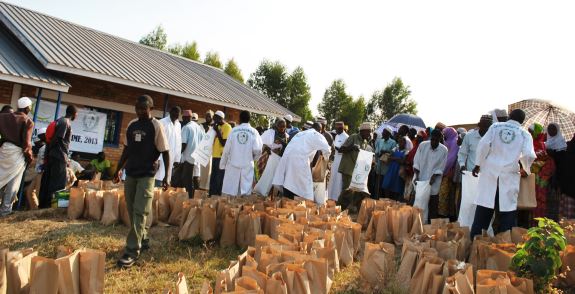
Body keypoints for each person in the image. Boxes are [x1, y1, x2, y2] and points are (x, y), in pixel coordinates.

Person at [114, 94, 169, 268]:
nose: (140, 111)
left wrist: (167, 176)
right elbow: (127, 150)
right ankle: (143, 239)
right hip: (131, 174)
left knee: (140, 211)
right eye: (138, 108)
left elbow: (165, 151)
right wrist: (118, 169)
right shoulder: (131, 125)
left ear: (151, 109)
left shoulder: (156, 126)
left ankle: (132, 251)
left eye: (144, 108)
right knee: (131, 210)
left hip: (147, 175)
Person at [470, 109, 536, 239]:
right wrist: (526, 169)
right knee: (507, 213)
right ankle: (504, 246)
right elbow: (529, 155)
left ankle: (475, 244)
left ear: (509, 116)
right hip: (508, 176)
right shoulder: (524, 133)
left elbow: (483, 145)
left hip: (490, 173)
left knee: (483, 209)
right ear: (522, 121)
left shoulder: (495, 127)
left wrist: (478, 164)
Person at [272, 123, 330, 200]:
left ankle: (287, 201)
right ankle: (299, 205)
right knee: (304, 187)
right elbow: (327, 150)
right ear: (320, 130)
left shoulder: (300, 134)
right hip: (299, 161)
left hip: (287, 160)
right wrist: (326, 161)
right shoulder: (316, 134)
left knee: (289, 181)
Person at [0, 97, 34, 216]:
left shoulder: (3, 117)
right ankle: (5, 210)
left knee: (1, 178)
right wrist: (29, 158)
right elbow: (27, 144)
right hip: (17, 154)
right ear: (27, 108)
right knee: (13, 183)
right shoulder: (28, 121)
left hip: (4, 151)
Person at [39, 105, 77, 209]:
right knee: (59, 183)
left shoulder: (59, 120)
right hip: (59, 155)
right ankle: (55, 208)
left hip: (54, 155)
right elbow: (58, 138)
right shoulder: (65, 122)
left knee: (50, 181)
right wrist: (53, 150)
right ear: (75, 114)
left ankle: (45, 206)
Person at [220, 111, 262, 196]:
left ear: (239, 119)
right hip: (247, 166)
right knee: (244, 194)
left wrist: (222, 164)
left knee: (230, 193)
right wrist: (253, 159)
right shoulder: (254, 132)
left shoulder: (233, 131)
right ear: (249, 119)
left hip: (233, 166)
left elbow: (226, 150)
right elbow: (258, 150)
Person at [337, 122, 374, 211]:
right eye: (368, 132)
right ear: (363, 131)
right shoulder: (353, 137)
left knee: (359, 190)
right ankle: (339, 209)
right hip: (348, 168)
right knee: (347, 191)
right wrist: (352, 147)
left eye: (370, 132)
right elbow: (341, 149)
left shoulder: (365, 142)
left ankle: (354, 208)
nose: (369, 134)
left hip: (357, 171)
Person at [413, 129, 448, 222]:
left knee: (433, 204)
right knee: (419, 203)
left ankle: (431, 226)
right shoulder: (423, 145)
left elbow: (441, 166)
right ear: (430, 138)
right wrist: (416, 176)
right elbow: (416, 161)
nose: (434, 142)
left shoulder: (444, 150)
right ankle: (418, 222)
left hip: (434, 181)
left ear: (440, 139)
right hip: (421, 179)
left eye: (437, 140)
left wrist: (434, 176)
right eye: (433, 139)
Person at [528, 123, 555, 222]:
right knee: (530, 200)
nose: (530, 134)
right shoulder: (529, 143)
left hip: (541, 178)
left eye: (531, 132)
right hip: (532, 177)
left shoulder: (543, 144)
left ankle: (539, 223)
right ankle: (531, 223)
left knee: (539, 201)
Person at [254, 118, 289, 196]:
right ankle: (263, 193)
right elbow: (260, 143)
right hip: (268, 157)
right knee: (267, 177)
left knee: (276, 178)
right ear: (276, 126)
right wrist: (266, 148)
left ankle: (272, 196)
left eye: (284, 126)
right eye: (280, 126)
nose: (282, 128)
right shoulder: (269, 133)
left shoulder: (286, 136)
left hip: (279, 159)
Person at [180, 109, 206, 198]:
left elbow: (183, 144)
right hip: (197, 158)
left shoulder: (186, 127)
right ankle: (196, 198)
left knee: (187, 180)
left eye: (183, 117)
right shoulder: (199, 128)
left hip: (188, 158)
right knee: (196, 178)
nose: (183, 119)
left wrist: (178, 155)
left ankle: (189, 199)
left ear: (185, 117)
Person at [155, 106, 181, 187]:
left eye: (178, 113)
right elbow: (157, 141)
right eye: (175, 112)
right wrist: (157, 159)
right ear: (170, 111)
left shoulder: (178, 125)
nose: (176, 114)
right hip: (162, 157)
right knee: (158, 179)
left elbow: (179, 142)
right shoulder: (162, 122)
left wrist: (177, 158)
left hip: (172, 158)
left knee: (166, 181)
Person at [208, 110, 232, 196]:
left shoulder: (227, 127)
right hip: (215, 156)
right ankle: (211, 195)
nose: (214, 121)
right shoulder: (218, 127)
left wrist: (217, 131)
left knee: (219, 178)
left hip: (221, 157)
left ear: (220, 118)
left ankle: (217, 196)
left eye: (215, 119)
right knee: (213, 177)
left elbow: (224, 143)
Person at [438, 127, 460, 219]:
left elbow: (451, 159)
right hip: (447, 172)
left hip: (449, 172)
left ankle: (443, 213)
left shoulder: (454, 142)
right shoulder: (449, 141)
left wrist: (443, 170)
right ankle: (449, 214)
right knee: (449, 193)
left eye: (445, 134)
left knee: (445, 193)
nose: (444, 136)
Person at [327, 121, 349, 201]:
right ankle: (330, 197)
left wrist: (334, 147)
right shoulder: (336, 136)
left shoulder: (346, 137)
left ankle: (337, 199)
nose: (336, 131)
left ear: (341, 128)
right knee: (332, 178)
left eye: (337, 129)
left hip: (341, 161)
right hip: (335, 160)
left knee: (338, 180)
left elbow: (343, 150)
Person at [374, 127, 397, 199]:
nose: (382, 133)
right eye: (383, 132)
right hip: (379, 167)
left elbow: (393, 153)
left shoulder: (393, 142)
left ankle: (384, 202)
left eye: (384, 132)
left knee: (385, 187)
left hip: (387, 168)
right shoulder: (380, 141)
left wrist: (385, 152)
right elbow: (377, 152)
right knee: (378, 186)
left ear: (388, 134)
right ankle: (377, 200)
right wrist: (378, 154)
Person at [199, 110, 214, 190]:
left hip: (210, 152)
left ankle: (206, 189)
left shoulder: (214, 127)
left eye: (209, 116)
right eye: (207, 116)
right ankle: (201, 188)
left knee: (209, 170)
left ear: (212, 117)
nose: (208, 117)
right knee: (201, 171)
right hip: (201, 152)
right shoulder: (201, 126)